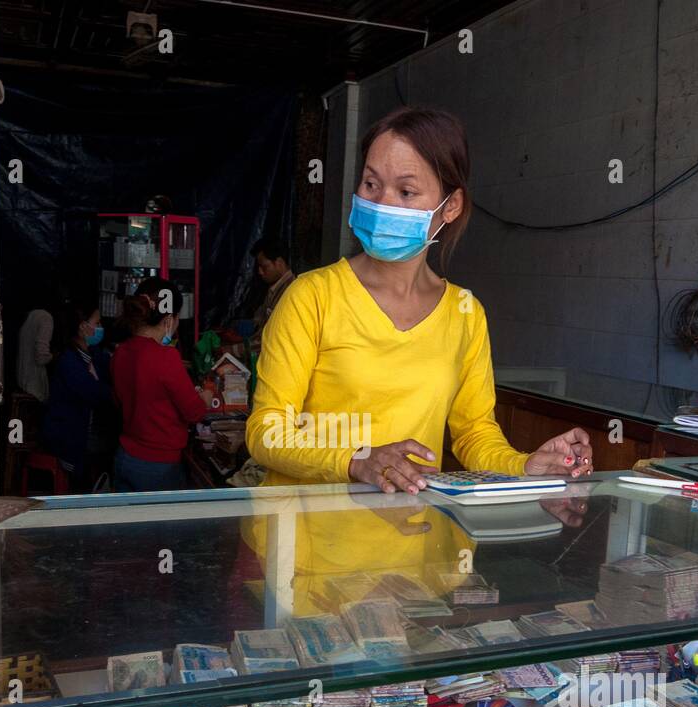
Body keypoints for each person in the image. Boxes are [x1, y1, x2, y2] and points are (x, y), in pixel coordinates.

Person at [245, 106, 592, 492]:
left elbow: (474, 434)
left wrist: (526, 466)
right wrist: (355, 460)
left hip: (415, 534)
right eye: (371, 184)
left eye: (406, 191)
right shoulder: (311, 296)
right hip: (308, 541)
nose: (381, 203)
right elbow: (266, 433)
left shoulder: (465, 313)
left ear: (451, 206)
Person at [111, 288, 211, 492]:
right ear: (168, 320)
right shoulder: (166, 357)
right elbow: (194, 412)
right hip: (158, 466)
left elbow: (120, 401)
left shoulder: (120, 352)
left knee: (129, 523)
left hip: (124, 457)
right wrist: (206, 398)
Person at [40, 301, 105, 493]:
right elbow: (96, 394)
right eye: (98, 323)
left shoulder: (91, 355)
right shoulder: (70, 362)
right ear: (83, 327)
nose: (101, 328)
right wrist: (99, 384)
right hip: (71, 438)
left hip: (83, 432)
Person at [250, 237, 296, 334]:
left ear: (279, 263)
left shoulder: (290, 292)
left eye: (264, 267)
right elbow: (259, 321)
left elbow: (272, 337)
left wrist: (232, 349)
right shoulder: (274, 290)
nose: (260, 272)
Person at [16, 302, 54, 402]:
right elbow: (41, 356)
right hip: (35, 386)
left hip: (24, 382)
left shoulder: (30, 316)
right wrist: (54, 357)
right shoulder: (44, 317)